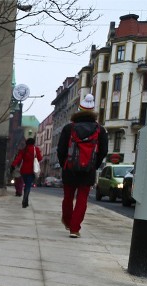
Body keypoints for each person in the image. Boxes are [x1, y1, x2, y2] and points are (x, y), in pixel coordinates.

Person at [57, 93, 108, 238]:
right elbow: (103, 151)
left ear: (78, 110)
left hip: (70, 168)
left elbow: (61, 149)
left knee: (68, 197)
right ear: (93, 113)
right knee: (82, 199)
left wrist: (64, 164)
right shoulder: (100, 130)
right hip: (88, 170)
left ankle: (67, 221)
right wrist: (94, 165)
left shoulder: (69, 128)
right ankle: (75, 228)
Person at [10, 137, 43, 208]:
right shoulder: (35, 149)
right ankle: (25, 200)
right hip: (32, 171)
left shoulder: (23, 150)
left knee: (26, 184)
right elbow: (40, 158)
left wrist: (13, 165)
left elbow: (18, 158)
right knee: (28, 185)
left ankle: (26, 200)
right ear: (33, 143)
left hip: (23, 171)